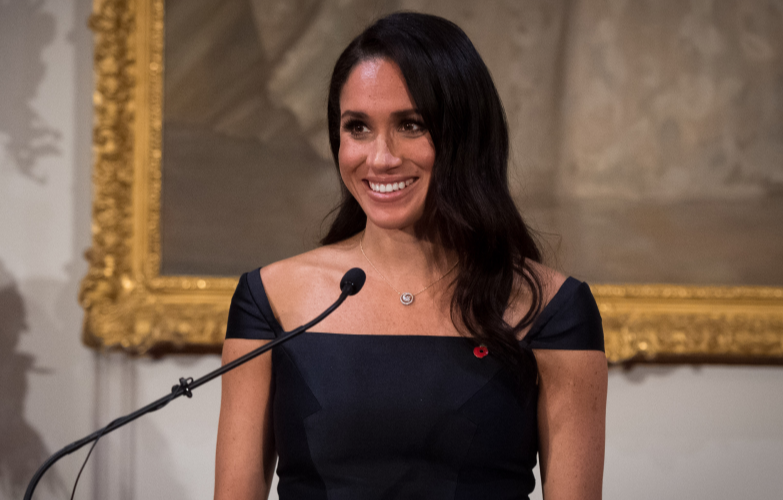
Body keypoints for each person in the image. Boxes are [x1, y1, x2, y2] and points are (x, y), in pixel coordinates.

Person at [214, 12, 607, 500]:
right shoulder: (269, 298)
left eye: (411, 125)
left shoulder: (553, 309)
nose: (381, 158)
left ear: (466, 135)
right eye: (358, 127)